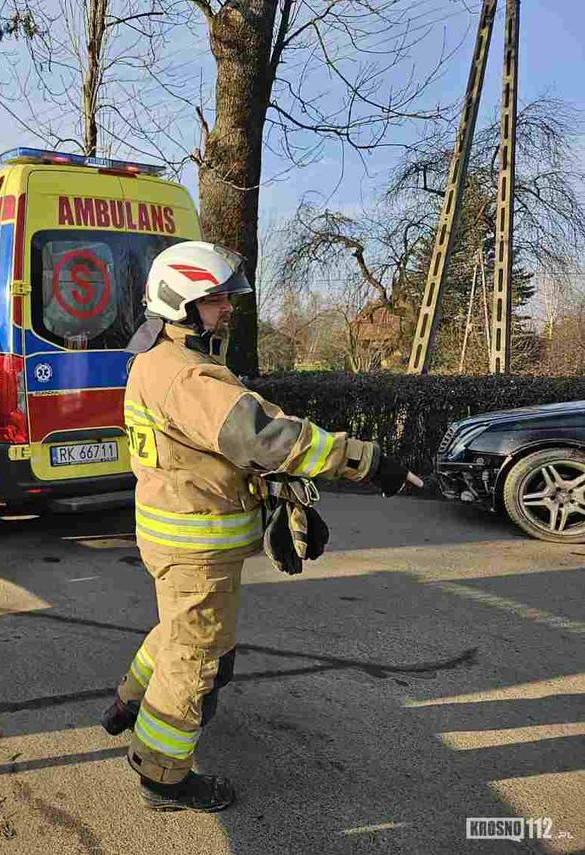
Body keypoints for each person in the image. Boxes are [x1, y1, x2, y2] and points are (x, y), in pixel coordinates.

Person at [100, 241, 421, 813]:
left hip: (177, 535)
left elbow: (213, 451)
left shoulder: (156, 359)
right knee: (194, 653)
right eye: (215, 299)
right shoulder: (186, 373)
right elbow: (267, 439)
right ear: (181, 301)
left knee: (180, 629)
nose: (227, 308)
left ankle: (127, 703)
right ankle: (162, 775)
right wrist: (368, 460)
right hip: (195, 541)